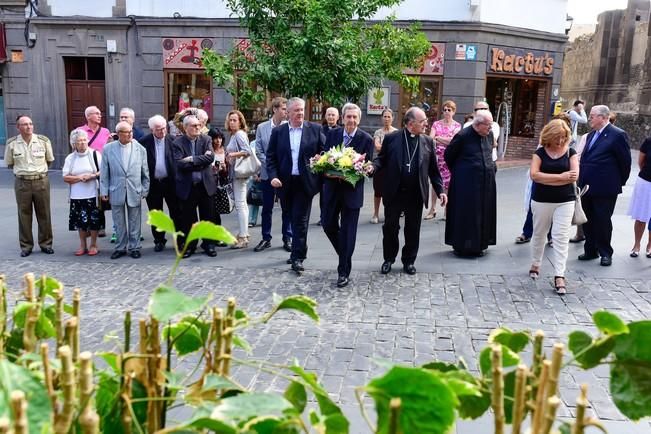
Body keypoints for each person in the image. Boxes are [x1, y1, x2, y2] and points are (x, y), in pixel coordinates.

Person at [373, 107, 447, 275]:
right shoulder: (392, 139)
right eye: (422, 122)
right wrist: (372, 167)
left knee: (413, 229)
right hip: (394, 192)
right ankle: (389, 259)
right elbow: (381, 159)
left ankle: (409, 261)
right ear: (411, 123)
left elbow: (434, 171)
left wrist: (440, 190)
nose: (426, 124)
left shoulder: (428, 141)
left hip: (415, 193)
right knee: (390, 228)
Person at [267, 97, 326, 274]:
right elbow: (271, 157)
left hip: (304, 182)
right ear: (289, 112)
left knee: (300, 220)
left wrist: (320, 160)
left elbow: (325, 152)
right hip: (285, 182)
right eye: (296, 110)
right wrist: (273, 176)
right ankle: (297, 250)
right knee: (290, 217)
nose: (300, 113)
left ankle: (298, 257)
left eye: (302, 110)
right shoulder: (278, 132)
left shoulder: (314, 129)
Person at [322, 103, 374, 287]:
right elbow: (325, 160)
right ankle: (344, 254)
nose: (351, 120)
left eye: (354, 117)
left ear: (359, 119)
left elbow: (369, 166)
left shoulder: (366, 139)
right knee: (327, 224)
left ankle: (343, 271)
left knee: (348, 232)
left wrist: (363, 168)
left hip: (352, 193)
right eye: (348, 117)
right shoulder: (333, 135)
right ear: (342, 118)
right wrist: (325, 168)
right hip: (331, 190)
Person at [528, 119, 578, 295]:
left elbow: (574, 176)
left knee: (560, 236)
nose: (560, 141)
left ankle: (559, 274)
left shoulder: (571, 152)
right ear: (549, 135)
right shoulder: (539, 153)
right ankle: (536, 262)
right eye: (557, 137)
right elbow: (534, 175)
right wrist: (561, 177)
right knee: (539, 233)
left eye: (564, 137)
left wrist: (547, 178)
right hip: (541, 199)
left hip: (565, 200)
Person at [577, 105, 631, 266]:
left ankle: (605, 252)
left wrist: (618, 182)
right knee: (587, 219)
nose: (589, 119)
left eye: (592, 116)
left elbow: (625, 162)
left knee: (602, 220)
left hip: (606, 187)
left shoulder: (617, 135)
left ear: (603, 117)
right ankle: (590, 250)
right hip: (586, 186)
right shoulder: (591, 135)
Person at [444, 110, 497, 257]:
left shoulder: (489, 135)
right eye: (488, 125)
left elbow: (489, 154)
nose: (490, 128)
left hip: (486, 183)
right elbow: (449, 155)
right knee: (467, 214)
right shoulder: (462, 136)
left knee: (484, 213)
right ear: (478, 124)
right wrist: (462, 172)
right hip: (466, 184)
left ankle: (481, 244)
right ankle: (463, 246)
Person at [4, 115, 55, 257]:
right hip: (22, 182)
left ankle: (46, 243)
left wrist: (38, 173)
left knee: (44, 213)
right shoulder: (12, 143)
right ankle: (26, 246)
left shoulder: (43, 141)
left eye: (31, 124)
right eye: (25, 124)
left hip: (41, 181)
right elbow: (9, 163)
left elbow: (49, 160)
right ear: (18, 127)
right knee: (24, 215)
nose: (29, 127)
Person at [100, 121, 150, 259]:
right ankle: (120, 247)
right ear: (118, 134)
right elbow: (104, 172)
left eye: (131, 131)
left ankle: (134, 247)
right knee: (118, 221)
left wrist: (145, 189)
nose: (130, 134)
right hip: (115, 189)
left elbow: (145, 172)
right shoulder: (108, 149)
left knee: (135, 220)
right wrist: (103, 191)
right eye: (126, 132)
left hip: (134, 189)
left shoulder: (140, 149)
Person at [172, 114, 217, 258]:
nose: (198, 127)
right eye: (194, 126)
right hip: (188, 187)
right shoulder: (177, 143)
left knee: (207, 217)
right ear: (185, 128)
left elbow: (210, 158)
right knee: (188, 219)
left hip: (205, 186)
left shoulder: (206, 139)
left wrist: (191, 159)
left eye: (199, 125)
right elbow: (179, 164)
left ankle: (208, 244)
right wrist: (200, 162)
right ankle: (190, 246)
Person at [253, 96, 292, 252]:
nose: (286, 112)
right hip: (267, 174)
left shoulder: (289, 127)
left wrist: (280, 167)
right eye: (283, 109)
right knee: (267, 208)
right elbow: (258, 150)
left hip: (284, 175)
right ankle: (266, 238)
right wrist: (270, 166)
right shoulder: (262, 127)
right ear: (275, 109)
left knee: (286, 207)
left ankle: (287, 237)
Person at [141, 115, 178, 252]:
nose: (162, 131)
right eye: (158, 129)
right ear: (151, 130)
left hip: (170, 183)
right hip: (153, 183)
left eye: (164, 128)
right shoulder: (144, 142)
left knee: (176, 211)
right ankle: (159, 240)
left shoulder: (174, 141)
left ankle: (178, 238)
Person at [62, 130, 102, 256]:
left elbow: (102, 171)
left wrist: (91, 176)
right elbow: (65, 177)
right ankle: (82, 245)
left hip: (92, 194)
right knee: (80, 222)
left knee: (94, 221)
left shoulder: (95, 154)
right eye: (79, 141)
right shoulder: (70, 158)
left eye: (84, 140)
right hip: (76, 195)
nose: (83, 143)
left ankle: (94, 244)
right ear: (74, 143)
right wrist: (79, 178)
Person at [76, 105, 112, 237]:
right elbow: (75, 149)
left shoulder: (105, 131)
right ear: (88, 116)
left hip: (101, 168)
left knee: (101, 198)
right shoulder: (80, 131)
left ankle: (100, 226)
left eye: (99, 113)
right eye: (96, 113)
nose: (99, 115)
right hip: (85, 168)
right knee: (87, 198)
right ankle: (87, 225)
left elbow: (109, 147)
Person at [425, 100, 461, 220]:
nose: (446, 112)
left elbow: (454, 141)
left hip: (450, 159)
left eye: (449, 110)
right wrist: (444, 140)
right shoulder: (436, 124)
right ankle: (432, 209)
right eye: (444, 110)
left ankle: (447, 210)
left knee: (448, 184)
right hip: (436, 159)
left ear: (453, 112)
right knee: (435, 183)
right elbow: (430, 139)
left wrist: (439, 137)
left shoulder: (457, 126)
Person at [225, 110, 253, 249]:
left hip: (239, 174)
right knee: (242, 204)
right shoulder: (235, 135)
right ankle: (244, 233)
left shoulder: (240, 134)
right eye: (230, 120)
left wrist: (232, 154)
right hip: (238, 173)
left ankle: (243, 237)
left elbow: (247, 151)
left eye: (235, 120)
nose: (232, 122)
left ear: (240, 121)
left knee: (240, 204)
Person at [371, 108, 398, 224]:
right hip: (380, 164)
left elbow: (397, 149)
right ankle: (375, 214)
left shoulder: (397, 132)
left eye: (389, 116)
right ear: (381, 118)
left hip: (392, 165)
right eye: (385, 116)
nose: (386, 119)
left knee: (391, 191)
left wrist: (385, 148)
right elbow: (377, 147)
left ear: (392, 118)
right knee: (378, 190)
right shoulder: (378, 132)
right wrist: (388, 148)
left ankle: (389, 214)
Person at [627, 135, 651, 257]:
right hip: (646, 182)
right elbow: (641, 162)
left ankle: (650, 245)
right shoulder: (648, 141)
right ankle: (637, 245)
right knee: (641, 215)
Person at [208, 127, 228, 231]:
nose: (218, 141)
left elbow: (227, 172)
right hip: (209, 183)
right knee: (211, 211)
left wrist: (224, 168)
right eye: (215, 138)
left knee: (217, 210)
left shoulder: (225, 150)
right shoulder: (208, 150)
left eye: (220, 138)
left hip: (220, 183)